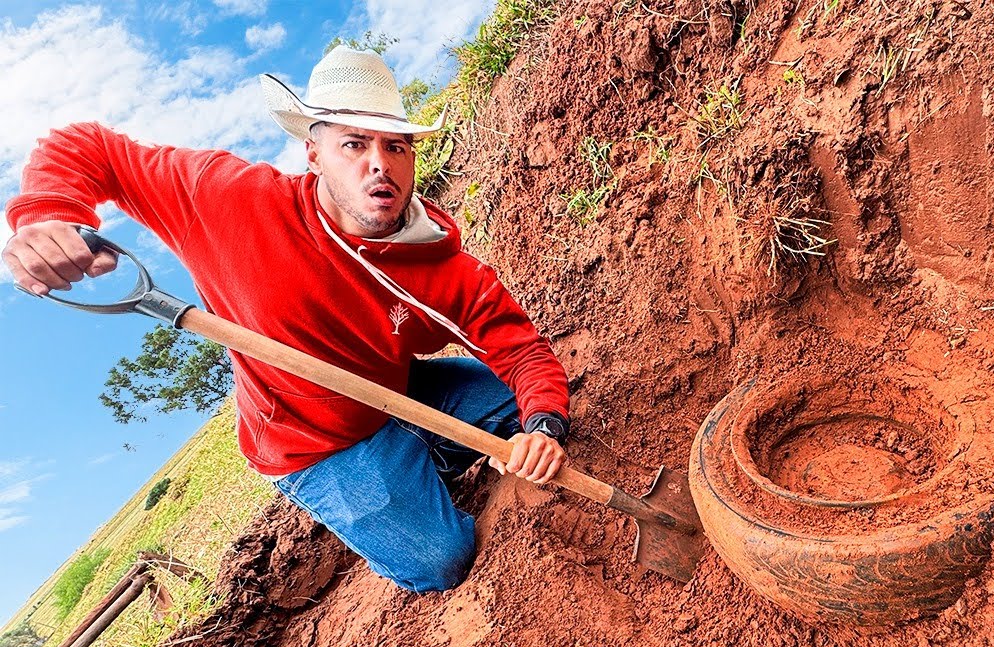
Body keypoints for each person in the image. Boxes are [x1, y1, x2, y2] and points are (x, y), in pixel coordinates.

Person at [3, 46, 571, 592]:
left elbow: (521, 351)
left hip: (398, 393)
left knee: (528, 404)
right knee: (440, 561)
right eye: (354, 144)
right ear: (314, 153)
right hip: (314, 445)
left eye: (396, 146)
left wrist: (544, 429)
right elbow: (88, 147)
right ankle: (402, 487)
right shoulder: (229, 200)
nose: (380, 163)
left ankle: (424, 461)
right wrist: (47, 214)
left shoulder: (445, 268)